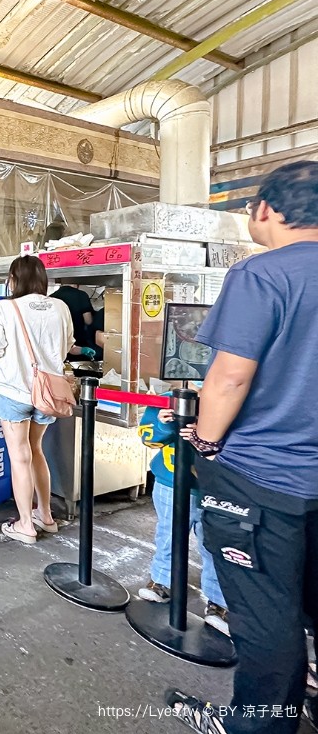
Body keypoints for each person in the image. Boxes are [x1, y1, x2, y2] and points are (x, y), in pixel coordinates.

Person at [167, 161, 318, 734]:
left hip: (261, 477)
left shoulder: (262, 275)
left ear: (267, 210)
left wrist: (204, 442)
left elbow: (228, 378)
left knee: (266, 619)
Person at [0, 255, 73, 544]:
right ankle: (45, 516)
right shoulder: (60, 307)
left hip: (13, 391)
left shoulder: (5, 308)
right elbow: (67, 345)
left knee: (19, 456)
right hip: (47, 393)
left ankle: (24, 525)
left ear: (14, 279)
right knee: (36, 450)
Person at [137, 399, 228, 634]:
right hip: (171, 484)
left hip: (218, 486)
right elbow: (147, 437)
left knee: (217, 544)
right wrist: (164, 424)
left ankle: (220, 602)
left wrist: (208, 434)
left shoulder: (231, 399)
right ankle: (162, 581)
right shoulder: (167, 399)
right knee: (168, 534)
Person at [50, 280, 97, 360]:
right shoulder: (81, 295)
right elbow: (88, 320)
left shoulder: (52, 297)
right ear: (77, 283)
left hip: (59, 346)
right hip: (79, 344)